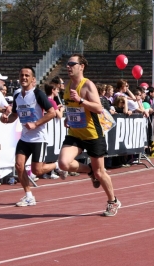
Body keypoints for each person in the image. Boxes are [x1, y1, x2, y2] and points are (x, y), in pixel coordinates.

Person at [57, 54, 121, 216]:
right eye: (67, 64)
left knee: (101, 173)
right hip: (75, 133)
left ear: (81, 66)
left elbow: (99, 108)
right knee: (63, 163)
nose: (68, 67)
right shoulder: (67, 85)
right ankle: (89, 171)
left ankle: (112, 201)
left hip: (92, 134)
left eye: (72, 64)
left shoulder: (88, 85)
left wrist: (80, 100)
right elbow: (72, 108)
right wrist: (68, 118)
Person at [0, 66, 68, 206]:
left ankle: (56, 165)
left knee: (37, 170)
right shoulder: (17, 95)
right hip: (25, 138)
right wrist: (6, 119)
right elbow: (15, 114)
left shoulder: (38, 94)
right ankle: (29, 196)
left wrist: (36, 124)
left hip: (38, 138)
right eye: (21, 75)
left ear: (33, 79)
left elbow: (52, 113)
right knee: (19, 165)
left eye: (27, 75)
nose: (24, 78)